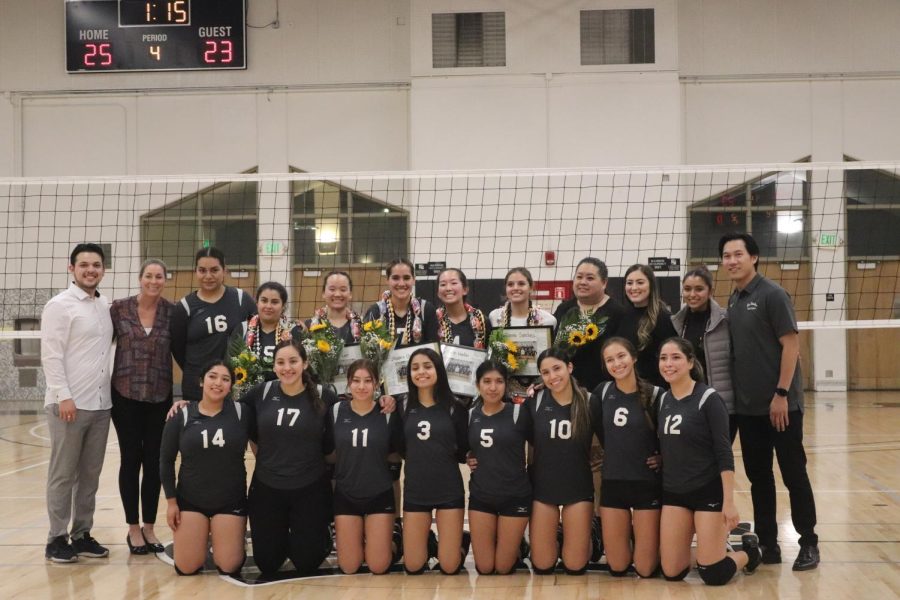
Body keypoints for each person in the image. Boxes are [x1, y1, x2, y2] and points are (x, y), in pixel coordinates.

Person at [720, 232, 819, 570]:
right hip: (749, 410)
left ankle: (808, 543)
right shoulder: (733, 299)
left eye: (738, 254)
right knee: (759, 477)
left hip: (781, 407)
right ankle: (768, 545)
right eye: (727, 256)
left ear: (754, 257)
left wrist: (780, 394)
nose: (732, 261)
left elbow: (791, 346)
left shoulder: (773, 294)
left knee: (794, 475)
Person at [656, 337, 761, 585]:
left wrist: (729, 503)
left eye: (676, 357)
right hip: (674, 492)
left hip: (707, 492)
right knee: (671, 572)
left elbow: (724, 453)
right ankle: (705, 553)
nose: (668, 364)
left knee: (713, 574)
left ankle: (749, 553)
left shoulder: (708, 399)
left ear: (691, 362)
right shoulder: (662, 399)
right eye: (663, 358)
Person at [238, 340, 338, 577]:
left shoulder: (325, 396)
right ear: (273, 367)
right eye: (280, 363)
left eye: (293, 361)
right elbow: (227, 411)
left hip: (310, 488)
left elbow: (351, 415)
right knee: (268, 563)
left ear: (305, 363)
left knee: (307, 562)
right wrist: (187, 405)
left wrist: (384, 402)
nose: (287, 368)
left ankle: (320, 534)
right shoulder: (261, 393)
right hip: (268, 488)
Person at [41, 243, 115, 563]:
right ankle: (56, 538)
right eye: (84, 265)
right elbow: (51, 354)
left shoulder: (104, 305)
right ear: (72, 268)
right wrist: (63, 395)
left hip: (101, 405)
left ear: (103, 269)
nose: (90, 270)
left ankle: (82, 534)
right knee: (63, 474)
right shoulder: (60, 305)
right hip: (69, 405)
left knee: (90, 476)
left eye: (96, 265)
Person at [160, 360, 250, 576]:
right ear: (201, 381)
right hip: (191, 501)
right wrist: (171, 502)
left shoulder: (242, 413)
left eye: (225, 379)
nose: (218, 383)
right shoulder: (181, 415)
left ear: (231, 386)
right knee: (186, 567)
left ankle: (229, 541)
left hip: (230, 501)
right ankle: (202, 537)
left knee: (228, 566)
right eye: (212, 376)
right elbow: (165, 460)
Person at [110, 258, 174, 555]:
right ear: (140, 278)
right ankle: (133, 528)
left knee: (154, 463)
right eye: (148, 275)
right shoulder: (119, 309)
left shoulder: (172, 313)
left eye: (158, 276)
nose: (153, 281)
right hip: (125, 396)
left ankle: (149, 527)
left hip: (159, 397)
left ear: (165, 280)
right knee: (130, 459)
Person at [591, 337, 662, 578]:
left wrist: (662, 458)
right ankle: (630, 540)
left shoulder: (655, 395)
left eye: (621, 356)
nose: (616, 363)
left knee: (644, 569)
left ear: (633, 357)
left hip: (646, 485)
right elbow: (600, 432)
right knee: (618, 567)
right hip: (613, 484)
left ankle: (651, 545)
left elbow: (671, 438)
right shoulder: (602, 393)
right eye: (609, 360)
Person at [326, 359, 403, 575]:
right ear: (348, 383)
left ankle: (396, 540)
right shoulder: (335, 412)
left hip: (379, 495)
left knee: (378, 566)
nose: (361, 386)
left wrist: (396, 512)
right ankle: (357, 537)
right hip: (346, 495)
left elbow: (396, 460)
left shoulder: (387, 413)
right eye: (356, 381)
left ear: (377, 384)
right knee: (349, 567)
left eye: (368, 381)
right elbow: (328, 455)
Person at [399, 348, 469, 575]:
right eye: (415, 367)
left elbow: (463, 449)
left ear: (438, 369)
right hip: (416, 491)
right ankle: (428, 543)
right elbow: (400, 449)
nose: (421, 372)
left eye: (427, 366)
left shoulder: (455, 407)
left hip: (448, 490)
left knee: (449, 567)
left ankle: (460, 542)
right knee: (413, 565)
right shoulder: (401, 407)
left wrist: (471, 457)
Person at [527, 348, 594, 575]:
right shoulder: (535, 402)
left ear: (570, 367)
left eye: (557, 368)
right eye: (545, 372)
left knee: (575, 566)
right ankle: (555, 535)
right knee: (543, 565)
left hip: (578, 488)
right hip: (544, 490)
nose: (552, 377)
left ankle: (588, 534)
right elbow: (511, 435)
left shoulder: (589, 401)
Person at [466, 360, 533, 575]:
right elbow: (458, 448)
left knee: (503, 568)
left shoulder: (518, 413)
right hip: (482, 496)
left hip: (515, 496)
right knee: (485, 568)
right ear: (478, 385)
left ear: (506, 385)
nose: (493, 387)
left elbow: (538, 444)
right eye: (487, 382)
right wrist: (467, 456)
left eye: (498, 382)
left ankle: (517, 545)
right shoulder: (469, 416)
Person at [170, 247, 256, 401]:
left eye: (214, 270)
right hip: (197, 388)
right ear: (195, 271)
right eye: (202, 270)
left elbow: (258, 331)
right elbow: (178, 349)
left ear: (224, 271)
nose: (208, 276)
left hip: (236, 386)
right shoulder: (184, 307)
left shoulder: (241, 299)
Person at [670, 266, 736, 440]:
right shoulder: (676, 322)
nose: (692, 294)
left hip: (721, 403)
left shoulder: (725, 320)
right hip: (689, 402)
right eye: (687, 289)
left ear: (710, 291)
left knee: (719, 457)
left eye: (699, 289)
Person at [552, 258, 625, 392]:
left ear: (604, 282)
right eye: (579, 277)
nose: (583, 282)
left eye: (590, 278)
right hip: (565, 390)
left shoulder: (618, 313)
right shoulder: (564, 309)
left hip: (603, 391)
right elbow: (552, 349)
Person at [618, 264, 678, 387]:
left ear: (651, 285)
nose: (634, 287)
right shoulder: (622, 316)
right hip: (628, 386)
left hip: (656, 388)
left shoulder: (663, 317)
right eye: (629, 283)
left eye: (640, 282)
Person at [230, 281, 302, 381]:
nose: (268, 306)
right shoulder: (242, 329)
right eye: (264, 300)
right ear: (257, 303)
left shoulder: (293, 330)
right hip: (250, 393)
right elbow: (230, 364)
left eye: (274, 302)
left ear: (283, 305)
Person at [364, 259, 439, 348]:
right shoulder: (376, 311)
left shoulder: (426, 309)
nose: (401, 283)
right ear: (387, 280)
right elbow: (367, 349)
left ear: (414, 280)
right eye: (395, 278)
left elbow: (433, 350)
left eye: (406, 278)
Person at [436, 268, 489, 349]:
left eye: (453, 283)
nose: (448, 288)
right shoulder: (433, 321)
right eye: (443, 284)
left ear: (465, 289)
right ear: (438, 293)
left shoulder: (482, 321)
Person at [487, 267, 556, 330]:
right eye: (510, 284)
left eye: (521, 284)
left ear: (531, 288)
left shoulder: (548, 320)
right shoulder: (494, 317)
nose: (515, 288)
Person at [307, 271, 363, 345]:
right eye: (332, 289)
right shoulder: (309, 326)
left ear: (350, 294)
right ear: (323, 293)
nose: (337, 294)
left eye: (343, 290)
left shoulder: (362, 326)